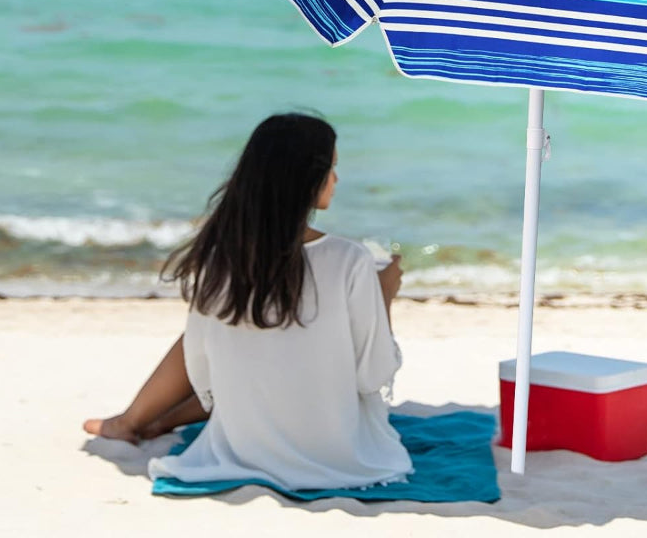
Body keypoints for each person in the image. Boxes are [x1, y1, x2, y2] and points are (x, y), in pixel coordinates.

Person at [83, 113, 412, 491]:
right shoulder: (349, 259)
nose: (337, 179)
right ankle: (141, 421)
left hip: (242, 445)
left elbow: (204, 369)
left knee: (232, 334)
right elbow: (373, 375)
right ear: (308, 177)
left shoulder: (221, 255)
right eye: (332, 168)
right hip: (342, 457)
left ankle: (135, 421)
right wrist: (383, 293)